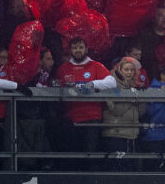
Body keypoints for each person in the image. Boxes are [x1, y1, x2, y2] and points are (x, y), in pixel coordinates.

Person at [54, 37, 117, 165]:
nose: (78, 50)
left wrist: (92, 84)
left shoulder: (95, 66)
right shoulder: (63, 68)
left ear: (86, 49)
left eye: (81, 47)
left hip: (91, 118)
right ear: (70, 50)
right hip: (70, 118)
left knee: (90, 157)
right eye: (75, 47)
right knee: (73, 158)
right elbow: (56, 87)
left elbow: (112, 82)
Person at [101, 56, 142, 167]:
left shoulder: (134, 88)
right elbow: (115, 110)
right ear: (119, 70)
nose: (129, 73)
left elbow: (141, 111)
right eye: (126, 69)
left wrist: (141, 97)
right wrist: (131, 99)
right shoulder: (110, 85)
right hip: (115, 134)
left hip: (131, 135)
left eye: (131, 70)